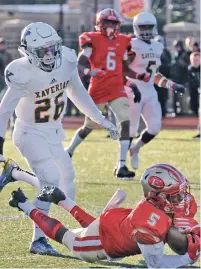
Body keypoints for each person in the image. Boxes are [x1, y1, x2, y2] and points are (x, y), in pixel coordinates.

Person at [0, 22, 119, 256]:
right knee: (50, 179)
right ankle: (39, 240)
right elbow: (4, 111)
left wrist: (100, 119)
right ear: (28, 52)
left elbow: (78, 93)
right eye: (41, 51)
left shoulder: (65, 61)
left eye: (52, 48)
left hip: (54, 131)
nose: (48, 55)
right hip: (29, 132)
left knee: (67, 180)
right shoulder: (22, 73)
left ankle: (14, 174)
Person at [8, 163, 200, 268]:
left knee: (96, 226)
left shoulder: (160, 207)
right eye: (176, 194)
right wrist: (187, 258)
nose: (183, 198)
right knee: (69, 238)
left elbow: (180, 226)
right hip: (101, 246)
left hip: (114, 222)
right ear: (157, 194)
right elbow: (156, 265)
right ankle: (23, 204)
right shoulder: (147, 223)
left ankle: (62, 200)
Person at [66, 8, 149, 179]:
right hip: (97, 89)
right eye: (107, 22)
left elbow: (125, 69)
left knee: (126, 122)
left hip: (116, 88)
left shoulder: (124, 41)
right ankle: (69, 150)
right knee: (89, 126)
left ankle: (122, 166)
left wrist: (137, 76)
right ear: (99, 24)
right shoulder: (92, 39)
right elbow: (79, 64)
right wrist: (91, 72)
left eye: (114, 23)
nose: (111, 26)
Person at [126, 12, 186, 170]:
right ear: (136, 28)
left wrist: (172, 85)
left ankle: (135, 148)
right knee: (130, 129)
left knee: (154, 127)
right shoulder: (131, 44)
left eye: (149, 27)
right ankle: (120, 164)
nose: (146, 30)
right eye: (143, 26)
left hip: (150, 91)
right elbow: (123, 68)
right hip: (133, 89)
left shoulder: (158, 46)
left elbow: (155, 74)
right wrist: (129, 85)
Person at [188, 52, 200, 139]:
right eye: (194, 60)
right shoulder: (190, 69)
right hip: (196, 92)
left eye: (197, 59)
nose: (195, 62)